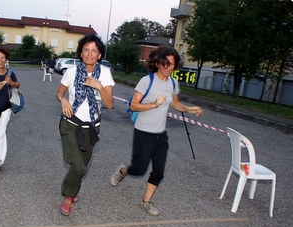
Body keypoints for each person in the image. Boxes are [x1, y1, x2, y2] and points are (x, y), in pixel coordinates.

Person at [110, 46, 203, 216]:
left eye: (172, 64)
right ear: (158, 63)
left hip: (161, 134)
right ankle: (123, 171)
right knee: (139, 169)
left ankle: (146, 202)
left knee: (159, 172)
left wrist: (190, 109)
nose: (168, 68)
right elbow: (133, 105)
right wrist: (153, 104)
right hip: (143, 132)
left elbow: (175, 103)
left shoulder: (173, 83)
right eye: (165, 64)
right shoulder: (147, 81)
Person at [55, 34, 115, 216]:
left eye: (94, 51)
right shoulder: (71, 72)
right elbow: (59, 93)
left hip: (92, 127)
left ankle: (71, 189)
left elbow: (110, 104)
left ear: (99, 55)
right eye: (86, 50)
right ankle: (68, 197)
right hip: (70, 123)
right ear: (81, 53)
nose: (89, 54)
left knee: (83, 165)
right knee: (79, 166)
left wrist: (99, 86)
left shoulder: (105, 73)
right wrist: (63, 100)